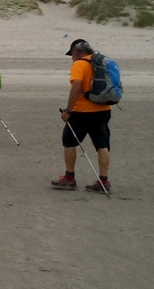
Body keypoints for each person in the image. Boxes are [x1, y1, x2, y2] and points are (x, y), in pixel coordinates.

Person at [51, 39, 113, 193]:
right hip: (104, 108)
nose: (71, 57)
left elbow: (77, 86)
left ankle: (69, 178)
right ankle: (103, 180)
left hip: (83, 111)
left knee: (69, 141)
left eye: (72, 53)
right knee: (102, 144)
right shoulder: (101, 62)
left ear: (77, 51)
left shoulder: (80, 64)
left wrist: (68, 111)